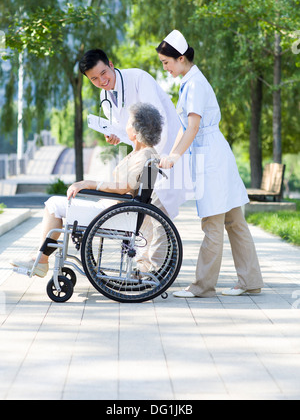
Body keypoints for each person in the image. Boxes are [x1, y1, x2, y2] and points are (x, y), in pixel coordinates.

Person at [156, 29, 264, 298]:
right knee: (235, 222)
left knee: (213, 224)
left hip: (212, 157)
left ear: (181, 58)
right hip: (215, 153)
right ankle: (250, 281)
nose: (165, 67)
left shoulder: (194, 84)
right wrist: (171, 154)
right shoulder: (190, 81)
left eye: (166, 62)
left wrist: (175, 157)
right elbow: (185, 127)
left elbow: (192, 128)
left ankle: (202, 286)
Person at [11, 103, 165, 277]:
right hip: (115, 210)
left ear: (137, 131)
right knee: (56, 205)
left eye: (129, 123)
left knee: (53, 204)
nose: (125, 126)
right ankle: (41, 259)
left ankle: (40, 261)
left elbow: (124, 187)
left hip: (115, 213)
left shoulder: (144, 155)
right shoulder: (141, 153)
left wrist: (88, 184)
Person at [78, 49, 193, 219]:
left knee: (158, 212)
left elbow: (157, 120)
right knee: (148, 214)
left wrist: (153, 159)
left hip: (165, 150)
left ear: (111, 65)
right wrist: (116, 136)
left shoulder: (139, 78)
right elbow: (128, 132)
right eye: (94, 79)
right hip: (143, 160)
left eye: (103, 73)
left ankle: (158, 245)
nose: (102, 81)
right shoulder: (105, 97)